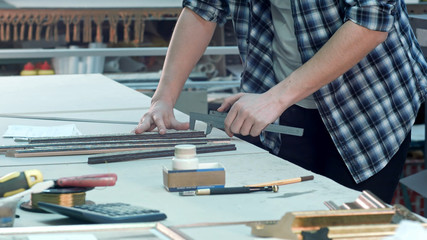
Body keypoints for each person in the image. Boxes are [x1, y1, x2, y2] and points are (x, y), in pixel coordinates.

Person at [134, 0, 427, 204]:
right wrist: (163, 99)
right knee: (284, 215)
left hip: (366, 107)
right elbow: (202, 9)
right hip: (282, 104)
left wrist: (274, 99)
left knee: (344, 223)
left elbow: (371, 20)